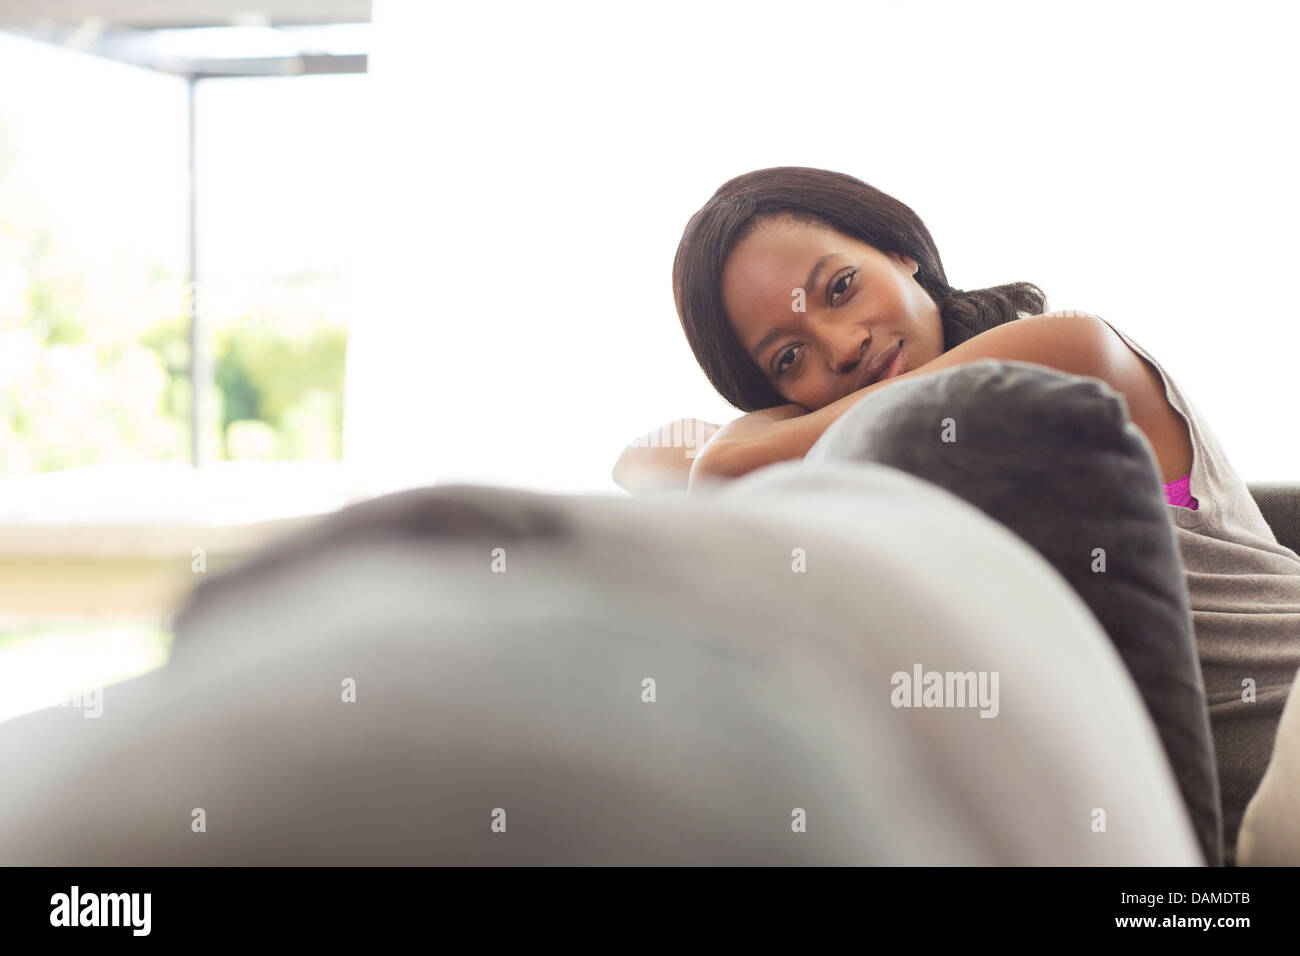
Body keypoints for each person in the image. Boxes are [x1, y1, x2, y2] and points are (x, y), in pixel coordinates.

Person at [613, 165, 1300, 865]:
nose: (843, 345)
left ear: (901, 251)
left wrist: (750, 439)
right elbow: (646, 460)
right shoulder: (891, 481)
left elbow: (720, 469)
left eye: (841, 288)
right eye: (790, 356)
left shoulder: (1070, 349)